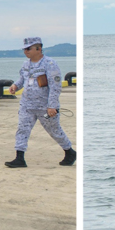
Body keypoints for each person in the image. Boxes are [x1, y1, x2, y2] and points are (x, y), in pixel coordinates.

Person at [5, 37, 76, 168]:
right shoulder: (25, 65)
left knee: (54, 130)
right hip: (27, 105)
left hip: (45, 107)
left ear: (38, 49)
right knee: (22, 129)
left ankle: (69, 151)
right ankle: (19, 158)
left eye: (28, 49)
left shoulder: (50, 64)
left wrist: (52, 106)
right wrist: (15, 86)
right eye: (24, 49)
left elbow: (55, 87)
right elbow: (22, 79)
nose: (26, 51)